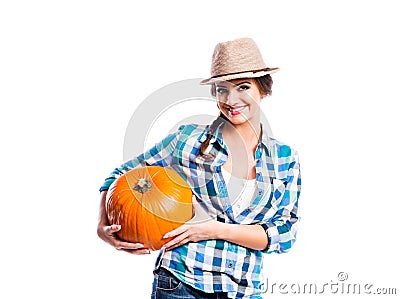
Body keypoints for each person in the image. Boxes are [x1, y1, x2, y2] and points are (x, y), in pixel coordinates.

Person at [97, 37, 301, 299]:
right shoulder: (187, 140)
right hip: (179, 281)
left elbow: (285, 234)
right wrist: (102, 226)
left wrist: (215, 230)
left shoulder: (284, 158)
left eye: (243, 87)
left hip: (243, 289)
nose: (231, 99)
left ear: (263, 90)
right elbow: (121, 175)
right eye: (222, 89)